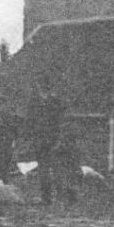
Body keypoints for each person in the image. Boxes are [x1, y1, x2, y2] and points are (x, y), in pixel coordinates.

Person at [24, 77, 72, 207]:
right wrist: (33, 139)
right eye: (41, 86)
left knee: (57, 171)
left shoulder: (55, 103)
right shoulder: (34, 104)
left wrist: (59, 140)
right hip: (40, 142)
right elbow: (30, 123)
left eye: (45, 86)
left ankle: (61, 199)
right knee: (43, 172)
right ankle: (46, 199)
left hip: (54, 141)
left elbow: (61, 122)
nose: (42, 89)